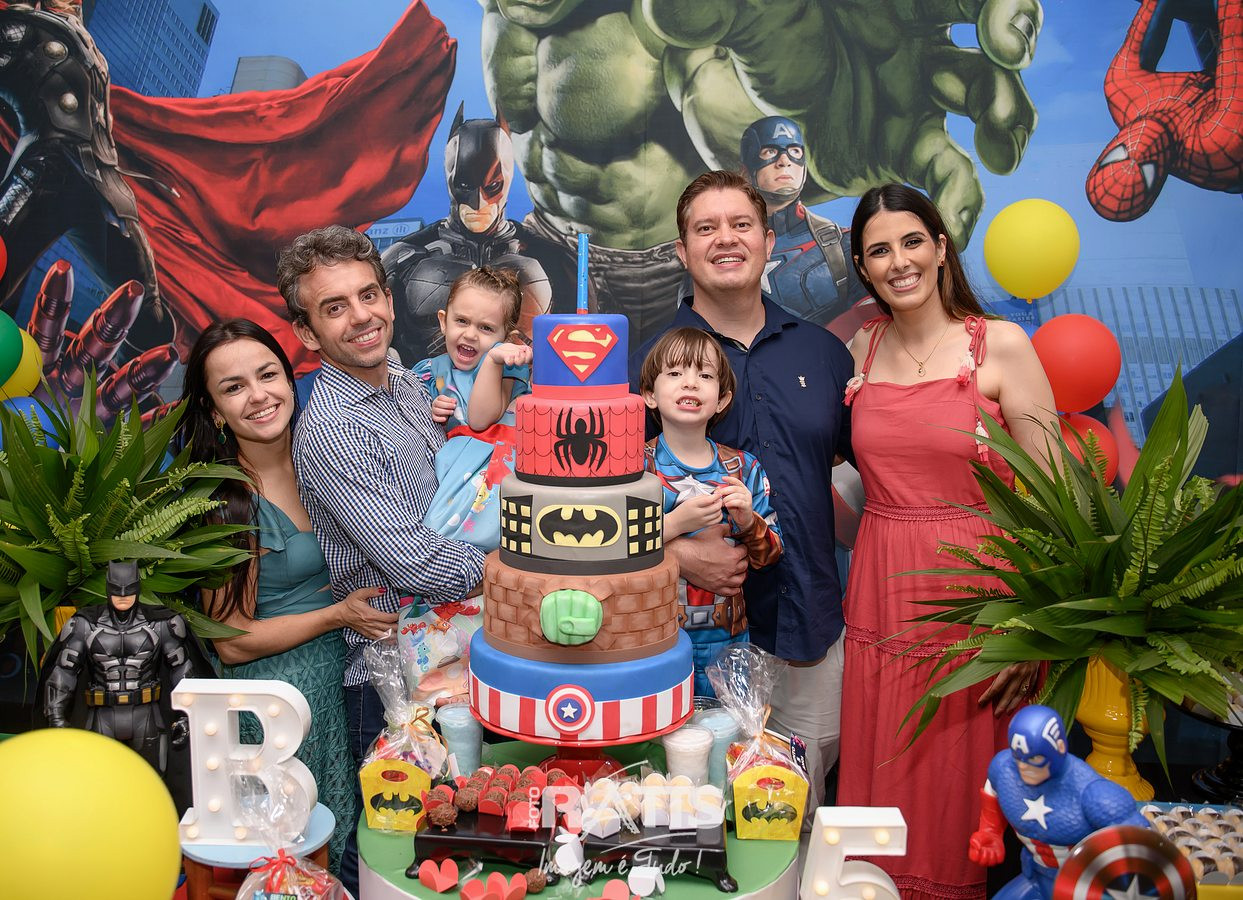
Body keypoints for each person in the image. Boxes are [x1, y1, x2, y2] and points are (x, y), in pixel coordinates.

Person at [836, 182, 1056, 899]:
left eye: (911, 242)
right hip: (881, 594)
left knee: (959, 787)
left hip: (977, 601)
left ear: (939, 247)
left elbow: (1056, 501)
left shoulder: (1001, 345)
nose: (898, 261)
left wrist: (1029, 627)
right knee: (885, 769)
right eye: (878, 251)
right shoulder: (862, 348)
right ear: (863, 268)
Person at [630, 170, 853, 810]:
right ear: (682, 251)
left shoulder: (824, 354)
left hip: (807, 630)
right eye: (706, 228)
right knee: (685, 810)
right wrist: (675, 553)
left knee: (792, 814)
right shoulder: (647, 363)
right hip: (684, 648)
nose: (725, 239)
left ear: (768, 239)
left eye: (741, 224)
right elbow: (596, 512)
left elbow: (858, 469)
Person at [280, 225, 486, 895]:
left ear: (389, 298)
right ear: (307, 332)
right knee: (388, 850)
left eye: (368, 295)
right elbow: (414, 565)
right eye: (334, 307)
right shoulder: (334, 427)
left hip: (449, 655)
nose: (361, 316)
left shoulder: (403, 380)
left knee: (453, 834)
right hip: (390, 675)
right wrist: (511, 568)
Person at [176, 317, 396, 872]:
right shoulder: (223, 499)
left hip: (347, 680)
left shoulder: (325, 456)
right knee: (292, 859)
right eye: (233, 387)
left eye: (267, 374)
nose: (258, 395)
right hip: (278, 707)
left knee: (358, 846)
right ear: (213, 410)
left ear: (290, 379)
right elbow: (231, 641)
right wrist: (337, 615)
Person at [638, 326, 783, 697]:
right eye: (675, 373)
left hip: (729, 641)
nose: (690, 383)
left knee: (726, 727)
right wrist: (675, 523)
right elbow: (615, 547)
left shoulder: (743, 468)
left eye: (704, 375)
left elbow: (770, 556)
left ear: (722, 399)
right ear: (650, 394)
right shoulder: (637, 468)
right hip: (655, 640)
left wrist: (748, 522)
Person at [382, 105, 551, 363]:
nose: (478, 202)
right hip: (430, 386)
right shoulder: (405, 258)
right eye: (465, 185)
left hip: (518, 387)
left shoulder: (552, 257)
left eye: (492, 186)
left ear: (506, 179)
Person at [969, 705, 1148, 900]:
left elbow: (1141, 845)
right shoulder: (1004, 769)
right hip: (1034, 875)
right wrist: (990, 832)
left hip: (1081, 885)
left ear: (1059, 747)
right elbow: (992, 791)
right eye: (1018, 758)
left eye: (1035, 759)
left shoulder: (1094, 793)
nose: (1024, 767)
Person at [41, 561, 201, 776]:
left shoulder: (162, 624)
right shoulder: (85, 625)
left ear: (138, 588)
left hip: (146, 713)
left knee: (150, 781)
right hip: (102, 713)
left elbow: (182, 671)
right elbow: (64, 671)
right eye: (117, 590)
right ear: (108, 588)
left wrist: (187, 715)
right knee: (100, 782)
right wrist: (56, 716)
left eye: (129, 589)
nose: (123, 595)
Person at [413, 266, 533, 551]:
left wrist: (493, 361)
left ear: (506, 337)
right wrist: (431, 409)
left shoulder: (506, 368)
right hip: (449, 479)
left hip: (495, 476)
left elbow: (480, 419)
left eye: (486, 328)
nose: (470, 334)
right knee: (437, 541)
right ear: (444, 321)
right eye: (462, 321)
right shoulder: (429, 372)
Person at [739, 115, 871, 335]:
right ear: (746, 171)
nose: (784, 161)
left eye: (795, 151)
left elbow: (869, 329)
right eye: (770, 152)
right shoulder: (722, 245)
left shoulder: (843, 245)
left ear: (804, 167)